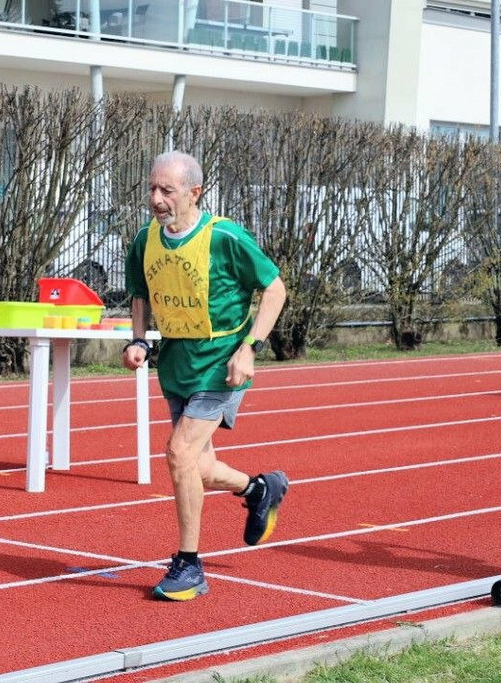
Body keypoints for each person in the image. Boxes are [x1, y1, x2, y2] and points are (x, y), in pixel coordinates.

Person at [122, 150, 289, 601]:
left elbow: (274, 289)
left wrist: (249, 348)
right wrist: (139, 340)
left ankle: (189, 565)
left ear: (194, 192)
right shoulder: (145, 239)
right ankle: (259, 489)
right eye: (152, 189)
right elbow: (139, 293)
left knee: (178, 454)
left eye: (167, 190)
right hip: (177, 363)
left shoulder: (225, 237)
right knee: (199, 467)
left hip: (221, 363)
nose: (156, 199)